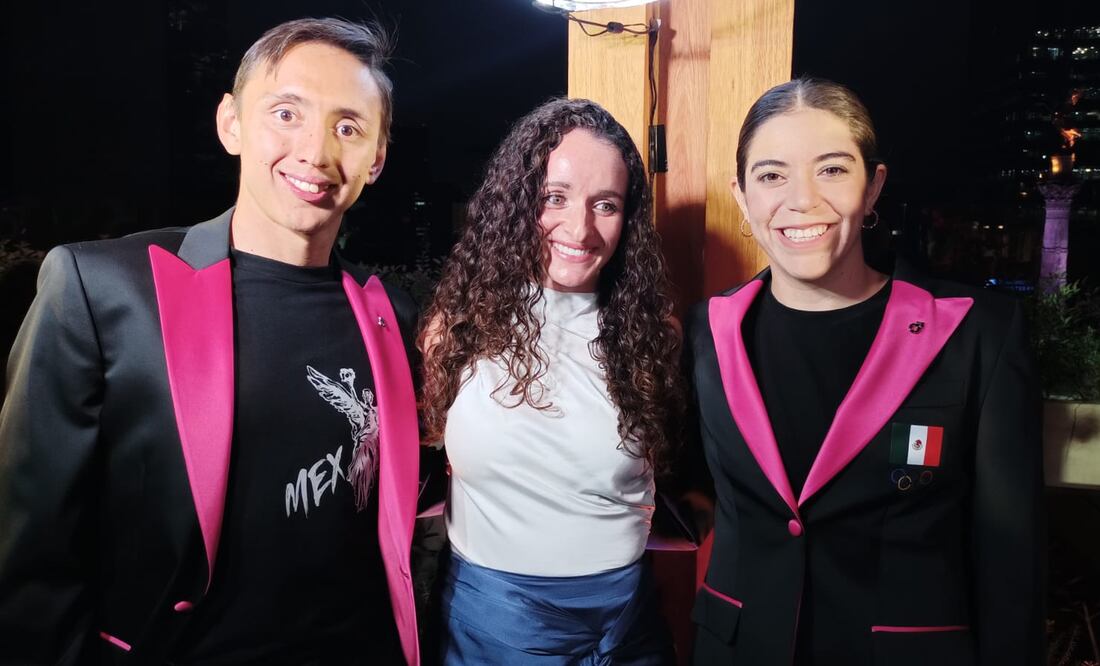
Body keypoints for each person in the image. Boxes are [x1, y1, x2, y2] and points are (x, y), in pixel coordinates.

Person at [0, 18, 423, 665]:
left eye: (348, 127)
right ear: (231, 123)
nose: (315, 151)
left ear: (378, 156)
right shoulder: (103, 289)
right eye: (286, 113)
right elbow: (33, 550)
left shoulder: (390, 311)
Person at [685, 77, 1044, 665]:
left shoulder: (976, 334)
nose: (802, 200)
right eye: (771, 175)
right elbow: (681, 484)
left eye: (831, 169)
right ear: (742, 196)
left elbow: (1010, 558)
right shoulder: (706, 331)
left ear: (873, 186)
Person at [418, 98, 683, 664]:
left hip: (626, 625)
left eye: (605, 205)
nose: (580, 228)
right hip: (492, 621)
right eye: (554, 197)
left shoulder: (654, 337)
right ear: (518, 202)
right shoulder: (457, 327)